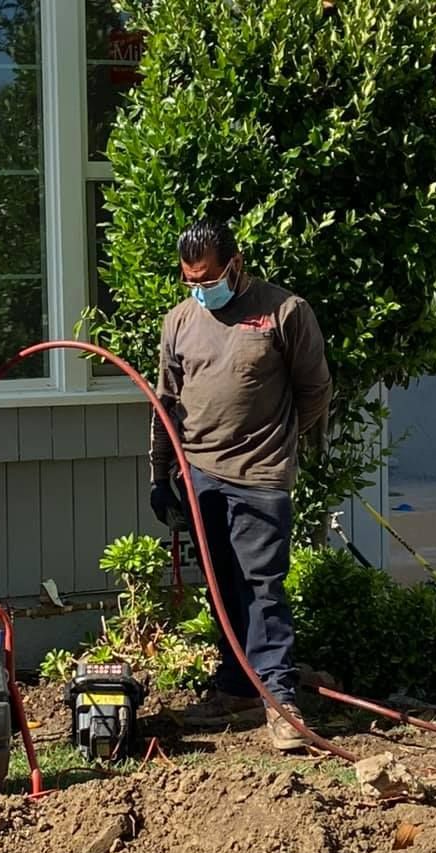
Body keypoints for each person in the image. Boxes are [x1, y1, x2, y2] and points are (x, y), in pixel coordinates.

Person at [150, 218, 331, 751]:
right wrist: (160, 476)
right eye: (191, 282)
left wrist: (280, 445)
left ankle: (279, 698)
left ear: (236, 263)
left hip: (259, 476)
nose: (202, 291)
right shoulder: (180, 322)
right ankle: (235, 687)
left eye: (209, 278)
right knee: (223, 588)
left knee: (262, 588)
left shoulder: (284, 313)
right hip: (200, 475)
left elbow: (315, 391)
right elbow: (166, 404)